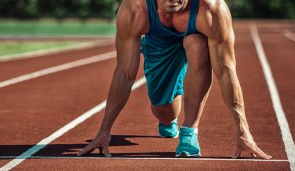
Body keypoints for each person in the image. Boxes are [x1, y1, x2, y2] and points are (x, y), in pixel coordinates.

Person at [78, 0, 272, 159]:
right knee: (165, 112)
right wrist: (104, 130)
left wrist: (243, 131)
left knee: (198, 45)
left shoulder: (211, 10)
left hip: (195, 36)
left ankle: (189, 132)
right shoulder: (135, 9)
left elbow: (225, 71)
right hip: (159, 44)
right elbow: (125, 73)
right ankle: (169, 119)